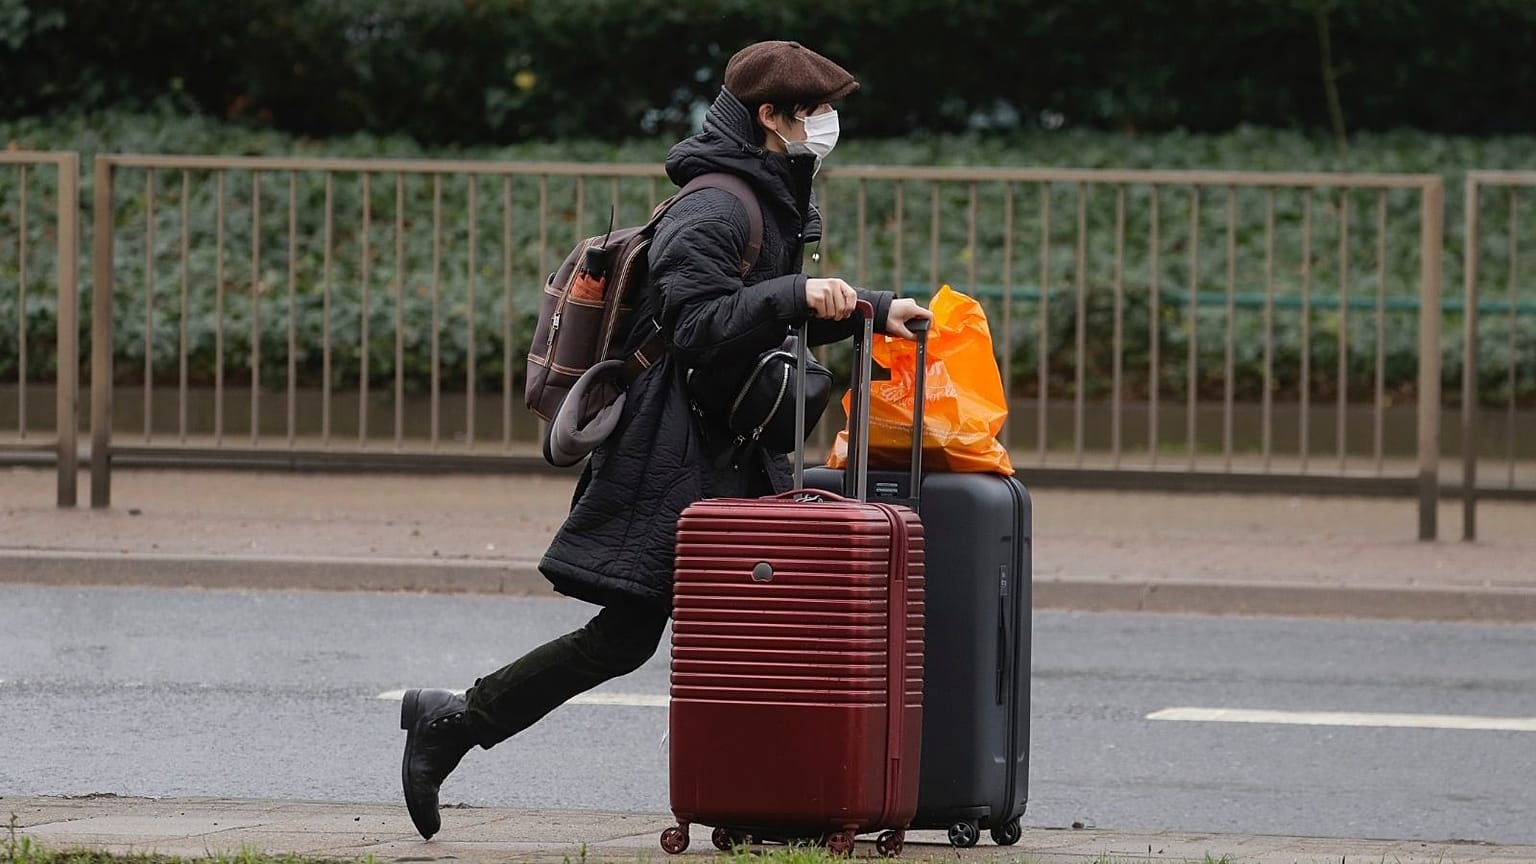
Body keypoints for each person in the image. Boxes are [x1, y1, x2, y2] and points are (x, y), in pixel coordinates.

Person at [397, 39, 933, 840]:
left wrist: (871, 307)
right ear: (770, 117)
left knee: (740, 624)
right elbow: (698, 326)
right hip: (676, 452)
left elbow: (756, 325)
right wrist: (797, 292)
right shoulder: (716, 206)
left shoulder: (764, 194)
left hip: (723, 446)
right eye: (816, 112)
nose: (827, 126)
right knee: (633, 637)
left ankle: (762, 803)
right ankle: (457, 722)